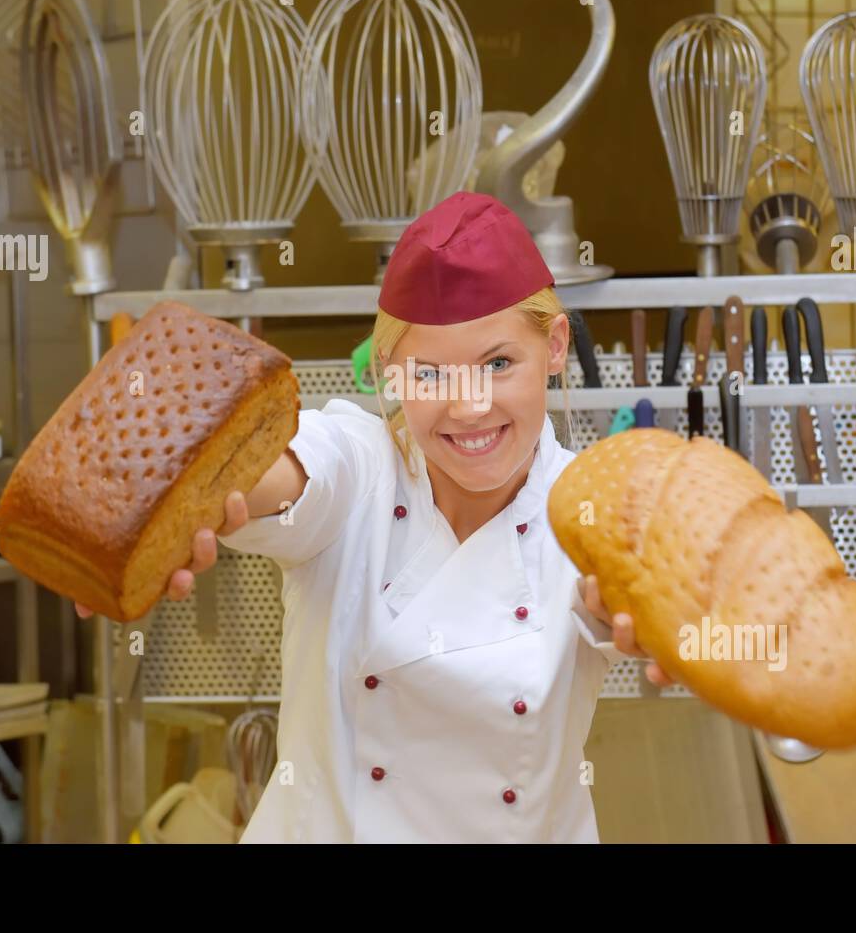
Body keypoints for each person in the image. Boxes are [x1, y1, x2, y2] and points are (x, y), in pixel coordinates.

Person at [78, 192, 670, 842]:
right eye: (431, 374)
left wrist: (673, 632)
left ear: (555, 346)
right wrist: (182, 496)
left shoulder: (590, 507)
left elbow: (661, 604)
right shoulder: (361, 465)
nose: (469, 408)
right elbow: (285, 472)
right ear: (389, 371)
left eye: (498, 363)